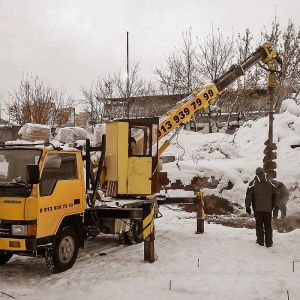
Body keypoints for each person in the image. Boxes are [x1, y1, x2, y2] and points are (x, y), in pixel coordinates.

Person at [245, 167, 277, 247]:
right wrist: (272, 206)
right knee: (268, 226)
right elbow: (275, 195)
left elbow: (248, 196)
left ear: (256, 174)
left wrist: (248, 207)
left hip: (257, 208)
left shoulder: (253, 183)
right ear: (263, 173)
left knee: (259, 225)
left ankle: (260, 242)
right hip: (268, 209)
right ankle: (269, 243)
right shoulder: (271, 183)